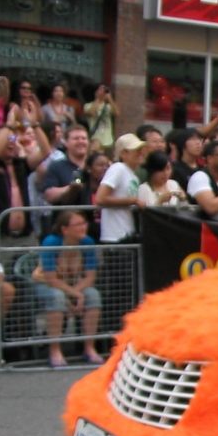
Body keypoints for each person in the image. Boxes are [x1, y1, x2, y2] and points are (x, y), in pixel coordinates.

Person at [33, 210, 103, 368]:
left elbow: (90, 276)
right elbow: (50, 278)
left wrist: (77, 293)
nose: (83, 227)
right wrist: (74, 295)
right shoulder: (51, 242)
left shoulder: (87, 242)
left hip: (73, 284)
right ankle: (55, 350)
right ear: (65, 229)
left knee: (93, 294)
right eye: (78, 225)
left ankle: (89, 348)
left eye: (84, 223)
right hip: (47, 284)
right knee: (57, 296)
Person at [96, 133, 144, 242]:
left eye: (140, 149)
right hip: (114, 236)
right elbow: (100, 198)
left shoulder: (134, 176)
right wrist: (133, 200)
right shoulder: (118, 168)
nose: (140, 153)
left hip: (127, 234)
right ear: (123, 153)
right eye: (136, 149)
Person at [83, 84, 117, 152]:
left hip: (107, 138)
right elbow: (92, 113)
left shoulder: (108, 106)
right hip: (95, 136)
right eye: (100, 90)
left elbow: (116, 113)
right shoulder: (88, 105)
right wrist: (98, 98)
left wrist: (110, 99)